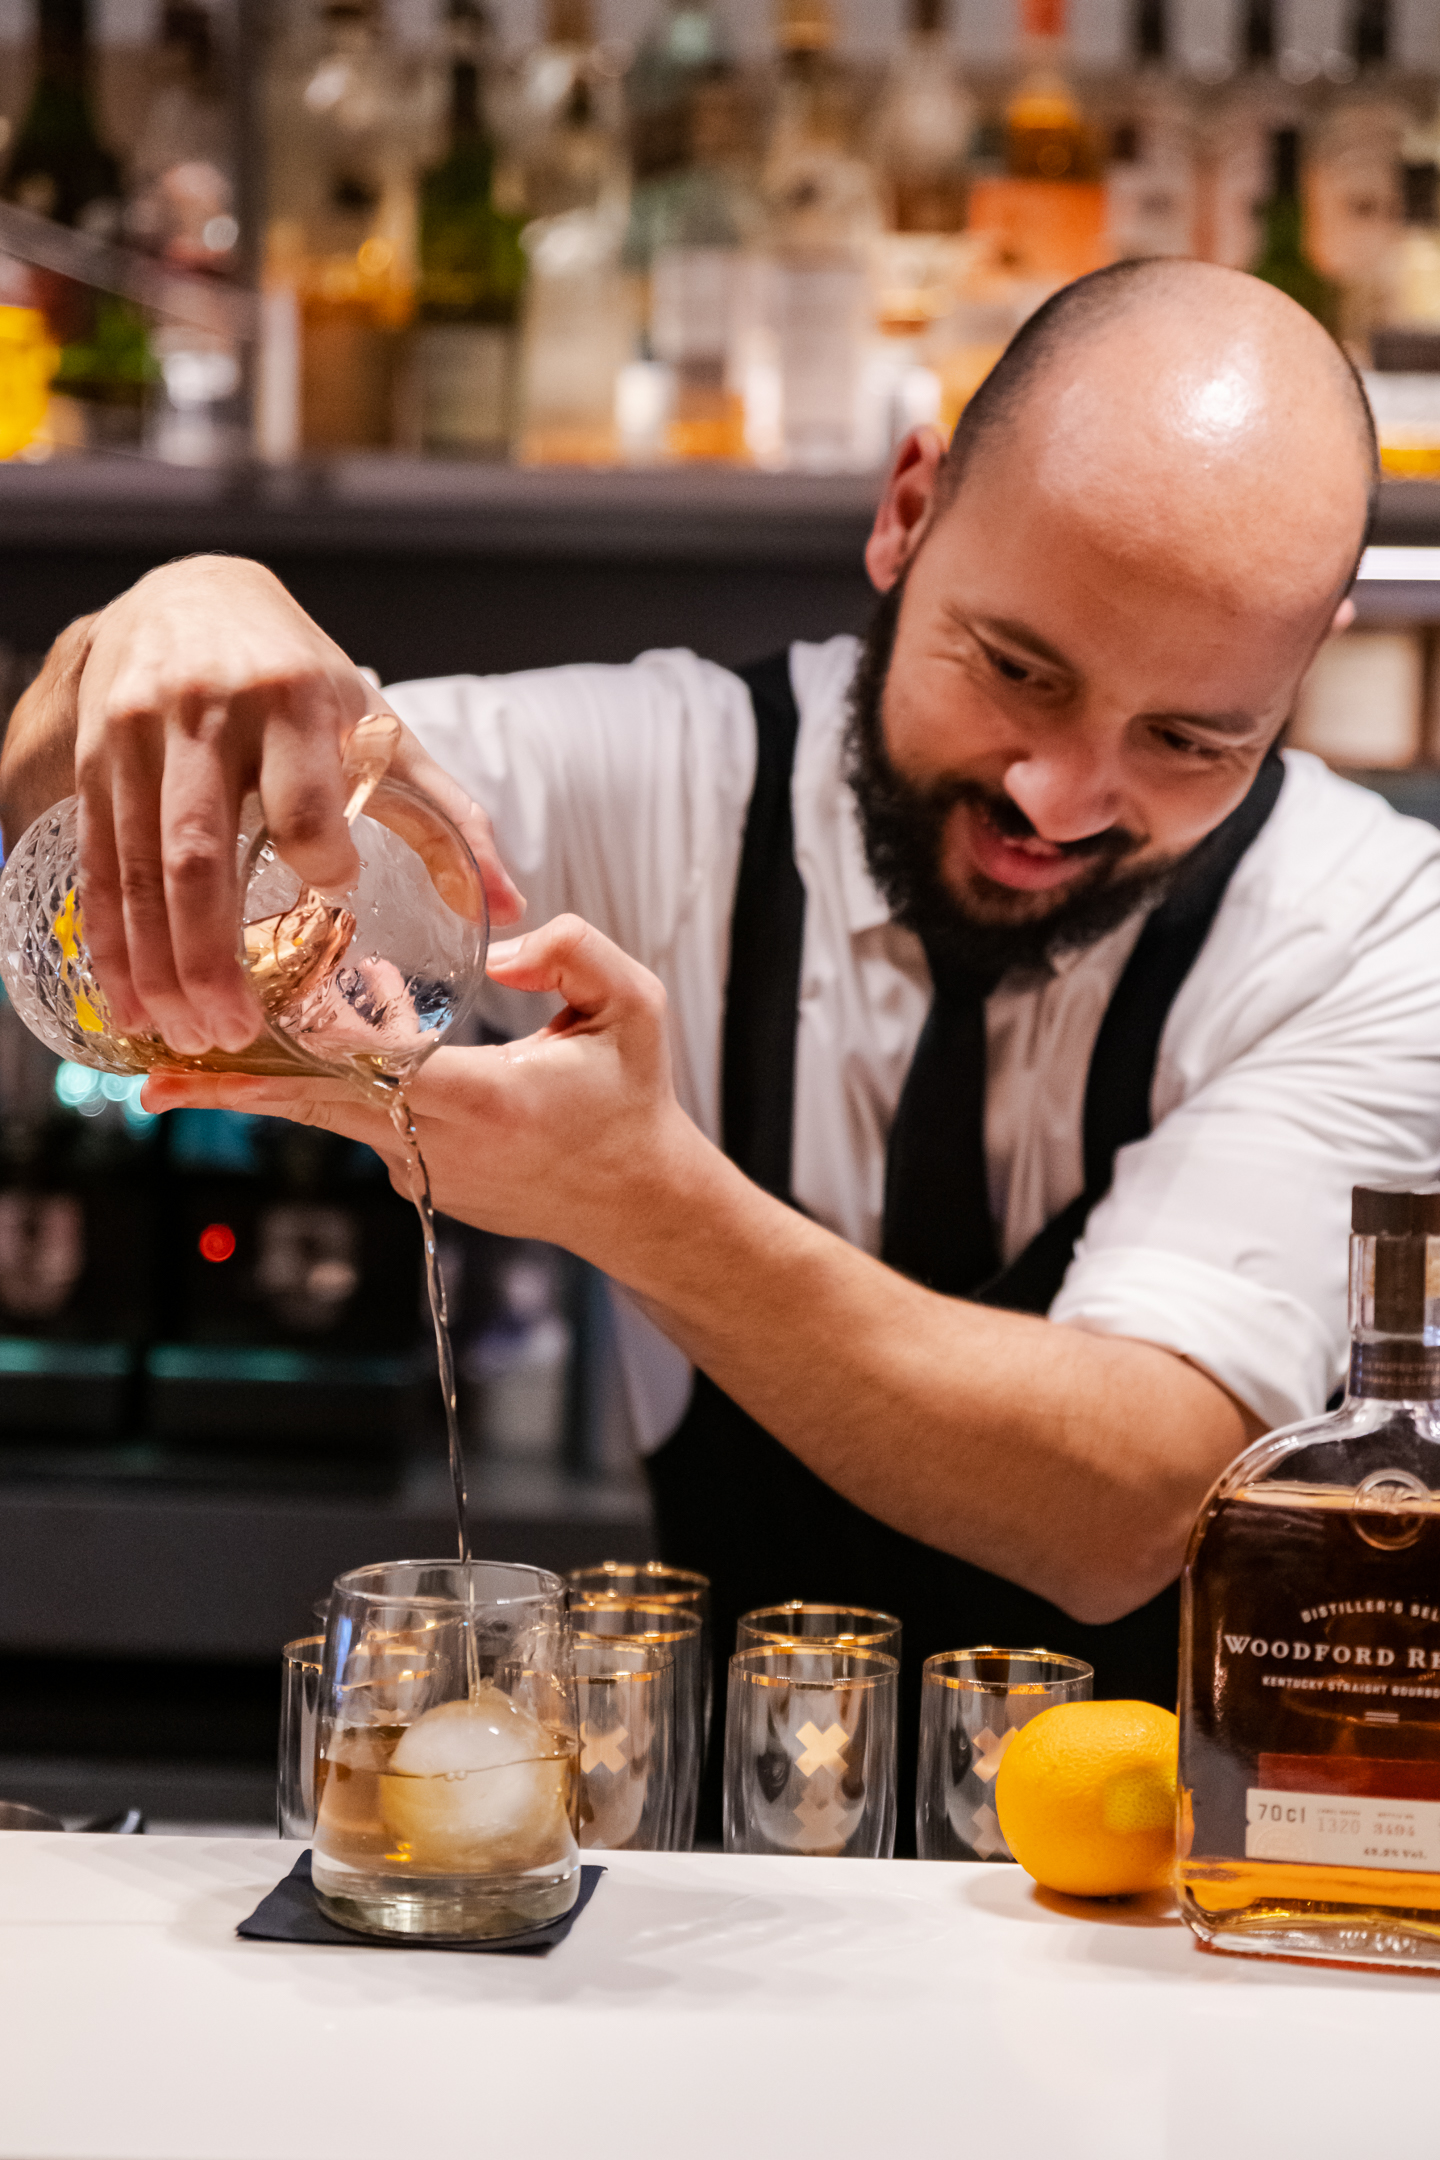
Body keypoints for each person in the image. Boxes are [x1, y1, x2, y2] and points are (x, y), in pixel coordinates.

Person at [5, 259, 1439, 1844]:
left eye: (1192, 740)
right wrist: (172, 620)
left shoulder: (1373, 928)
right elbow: (98, 801)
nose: (1060, 793)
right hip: (715, 1881)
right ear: (907, 510)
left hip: (1144, 1915)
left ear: (1293, 689)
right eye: (1017, 668)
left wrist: (641, 1200)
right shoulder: (670, 773)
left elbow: (1138, 1502)